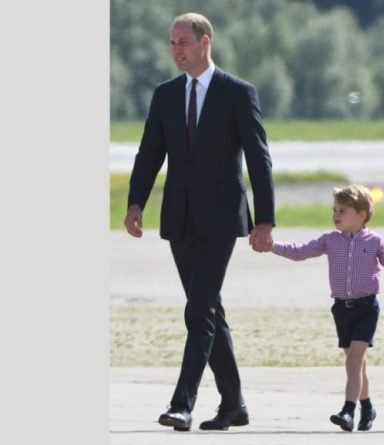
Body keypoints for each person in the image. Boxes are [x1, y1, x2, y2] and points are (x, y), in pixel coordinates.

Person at [123, 12, 275, 432]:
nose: (176, 50)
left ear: (205, 42)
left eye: (183, 42)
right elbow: (149, 152)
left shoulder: (238, 93)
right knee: (208, 312)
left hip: (223, 218)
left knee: (199, 309)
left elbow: (259, 159)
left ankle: (182, 403)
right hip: (179, 217)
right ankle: (234, 404)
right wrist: (136, 202)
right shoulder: (166, 94)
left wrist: (265, 220)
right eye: (172, 43)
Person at [261, 184, 384, 432]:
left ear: (361, 215)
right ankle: (367, 406)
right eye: (334, 209)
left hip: (366, 308)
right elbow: (300, 252)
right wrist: (272, 246)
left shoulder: (376, 241)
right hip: (341, 309)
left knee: (355, 360)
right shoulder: (329, 240)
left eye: (342, 210)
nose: (335, 215)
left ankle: (348, 411)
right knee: (356, 362)